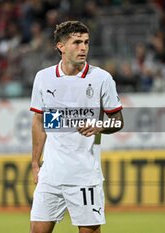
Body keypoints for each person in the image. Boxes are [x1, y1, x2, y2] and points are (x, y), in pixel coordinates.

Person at [29, 21, 124, 233]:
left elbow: (118, 121)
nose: (83, 48)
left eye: (86, 42)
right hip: (51, 175)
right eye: (77, 42)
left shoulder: (101, 78)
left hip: (85, 176)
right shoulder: (43, 78)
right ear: (61, 46)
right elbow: (39, 122)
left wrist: (99, 126)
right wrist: (35, 164)